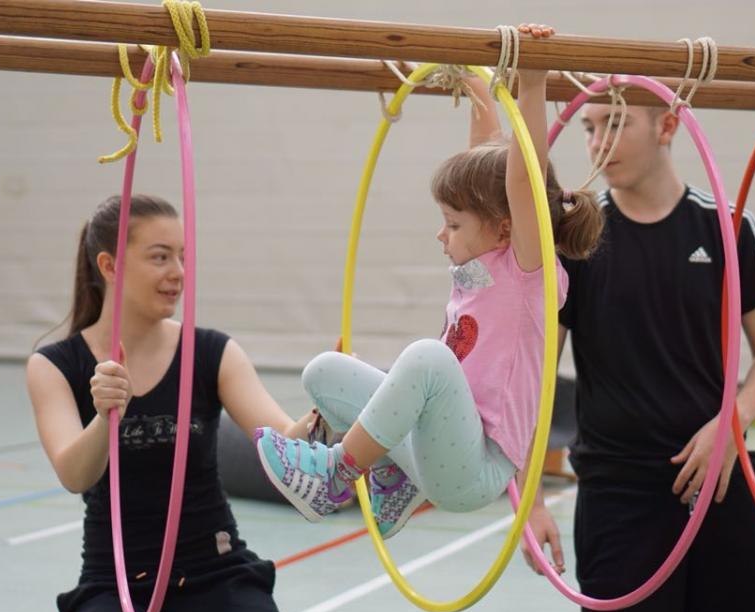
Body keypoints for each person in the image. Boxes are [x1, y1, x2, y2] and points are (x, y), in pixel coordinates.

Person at [521, 99, 755, 612]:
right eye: (588, 126)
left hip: (715, 476)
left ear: (667, 126)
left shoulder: (728, 227)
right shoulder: (576, 237)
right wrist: (525, 497)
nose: (598, 142)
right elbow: (537, 376)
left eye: (616, 122)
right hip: (618, 484)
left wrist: (727, 428)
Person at [253, 26, 603, 544]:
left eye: (454, 225)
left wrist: (532, 85)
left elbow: (520, 182)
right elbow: (483, 160)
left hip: (478, 465)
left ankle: (336, 477)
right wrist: (475, 83)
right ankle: (394, 478)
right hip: (437, 445)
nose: (441, 235)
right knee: (322, 372)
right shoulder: (482, 258)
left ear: (503, 226)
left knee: (428, 359)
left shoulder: (530, 274)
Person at [26, 194, 329, 612]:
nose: (178, 274)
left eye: (183, 258)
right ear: (110, 266)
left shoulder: (212, 351)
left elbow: (277, 441)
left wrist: (323, 423)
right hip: (120, 582)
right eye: (160, 257)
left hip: (214, 571)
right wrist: (104, 417)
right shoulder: (54, 365)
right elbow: (74, 471)